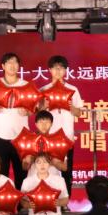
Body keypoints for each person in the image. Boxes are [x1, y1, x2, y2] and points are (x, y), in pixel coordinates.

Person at [0, 52, 31, 189]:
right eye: (9, 62)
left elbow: (33, 109)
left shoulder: (26, 85)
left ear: (19, 66)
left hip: (22, 137)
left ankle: (21, 201)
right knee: (1, 174)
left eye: (15, 62)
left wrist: (27, 112)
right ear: (3, 66)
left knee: (22, 173)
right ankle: (2, 200)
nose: (12, 65)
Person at [40, 55, 85, 191]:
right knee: (47, 170)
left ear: (65, 70)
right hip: (48, 137)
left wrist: (71, 107)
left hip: (67, 137)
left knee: (67, 171)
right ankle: (47, 197)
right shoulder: (43, 90)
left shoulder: (73, 89)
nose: (58, 70)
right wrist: (44, 106)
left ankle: (66, 199)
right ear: (49, 70)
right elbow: (38, 114)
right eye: (55, 67)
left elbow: (79, 113)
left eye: (61, 68)